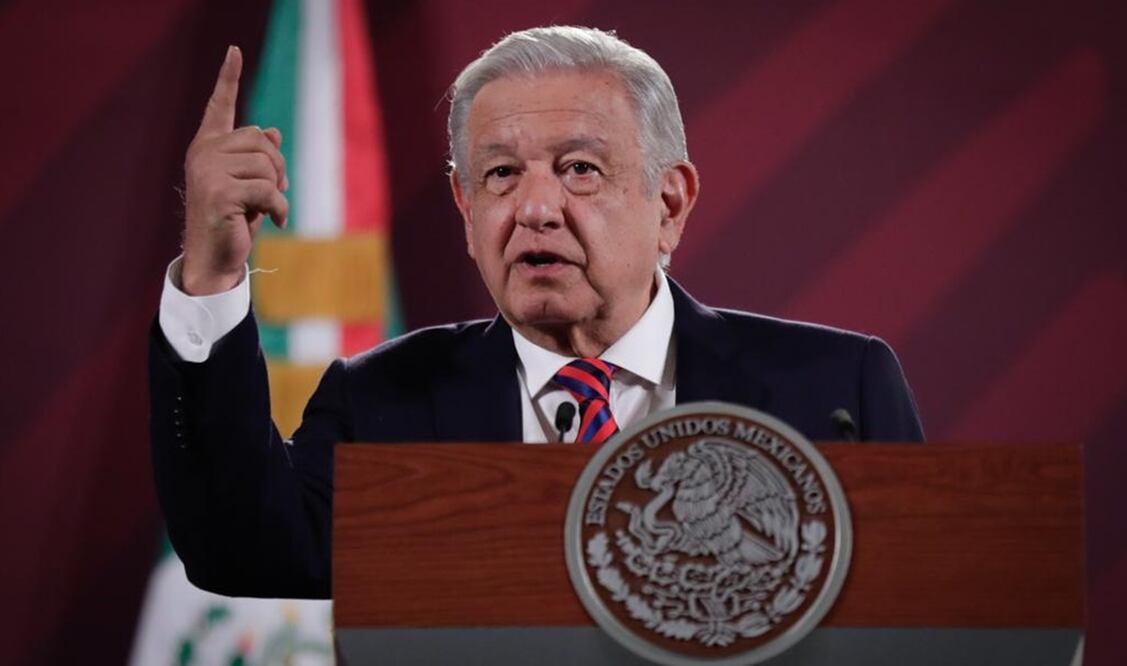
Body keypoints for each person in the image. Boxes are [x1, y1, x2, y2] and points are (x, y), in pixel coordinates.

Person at [150, 26, 923, 599]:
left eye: (579, 168)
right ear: (465, 209)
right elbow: (239, 549)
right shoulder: (385, 401)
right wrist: (213, 275)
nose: (534, 208)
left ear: (669, 203)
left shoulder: (834, 392)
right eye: (500, 175)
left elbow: (918, 616)